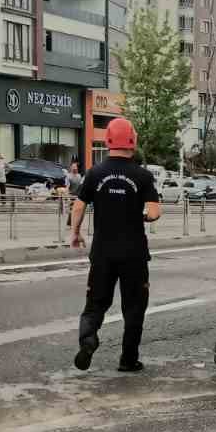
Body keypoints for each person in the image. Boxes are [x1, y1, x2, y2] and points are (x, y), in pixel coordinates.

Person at [70, 118, 161, 374]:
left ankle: (88, 339)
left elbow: (78, 206)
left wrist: (75, 233)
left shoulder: (95, 173)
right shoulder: (142, 175)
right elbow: (154, 212)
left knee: (95, 303)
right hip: (134, 254)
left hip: (102, 252)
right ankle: (128, 360)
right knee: (133, 308)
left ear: (108, 140)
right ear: (132, 140)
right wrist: (141, 215)